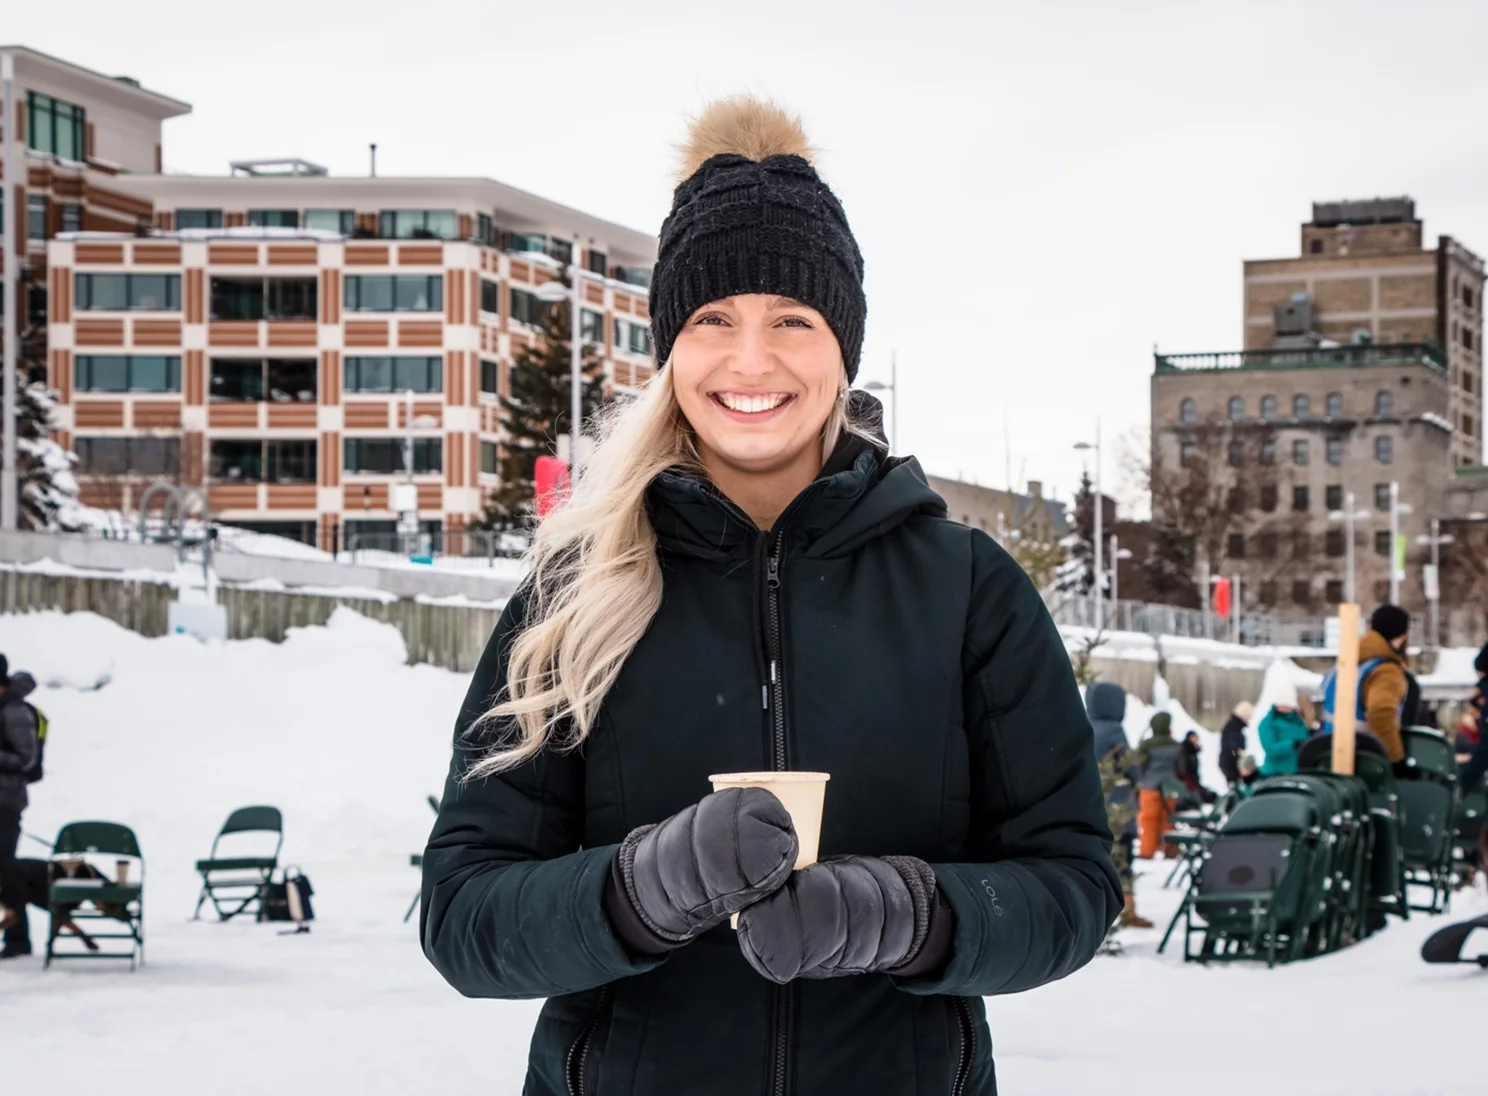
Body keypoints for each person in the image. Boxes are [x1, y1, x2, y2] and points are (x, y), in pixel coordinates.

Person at [420, 98, 1120, 1096]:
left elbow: (1072, 887)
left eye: (792, 318)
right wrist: (638, 889)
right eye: (714, 319)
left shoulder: (968, 588)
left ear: (844, 345)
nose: (752, 360)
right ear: (671, 349)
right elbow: (463, 917)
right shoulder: (572, 593)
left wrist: (906, 914)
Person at [1086, 682, 1150, 928]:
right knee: (1123, 861)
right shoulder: (1114, 731)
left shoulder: (1085, 726)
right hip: (1119, 807)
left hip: (1094, 806)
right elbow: (1130, 767)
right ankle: (1128, 910)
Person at [1322, 604, 1411, 772]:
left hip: (1327, 750)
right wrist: (1396, 759)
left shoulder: (1345, 661)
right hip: (1362, 758)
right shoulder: (1386, 670)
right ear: (1401, 637)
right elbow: (1380, 712)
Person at [0, 657, 40, 959]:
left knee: (5, 872)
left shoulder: (15, 711)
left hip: (5, 804)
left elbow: (26, 759)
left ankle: (17, 939)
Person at [1131, 712, 1183, 859]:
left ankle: (1147, 851)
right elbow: (1180, 768)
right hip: (1169, 788)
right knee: (1168, 820)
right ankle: (1170, 850)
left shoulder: (1146, 745)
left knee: (1148, 820)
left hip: (1149, 787)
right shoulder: (1176, 745)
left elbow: (1139, 765)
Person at [1258, 683, 1312, 777]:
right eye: (1283, 704)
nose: (1286, 707)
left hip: (1296, 772)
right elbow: (1270, 749)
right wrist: (1292, 744)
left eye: (1288, 705)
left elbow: (1304, 739)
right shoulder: (1268, 723)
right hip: (1275, 774)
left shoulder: (1297, 721)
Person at [1218, 701, 1254, 788]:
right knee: (1235, 788)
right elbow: (1233, 748)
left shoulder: (1233, 726)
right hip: (1231, 764)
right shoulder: (1233, 727)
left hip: (1229, 762)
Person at [1176, 731, 1218, 806]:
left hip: (1194, 784)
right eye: (1194, 738)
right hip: (1189, 786)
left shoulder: (1193, 752)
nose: (1196, 740)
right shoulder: (1184, 752)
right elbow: (1183, 772)